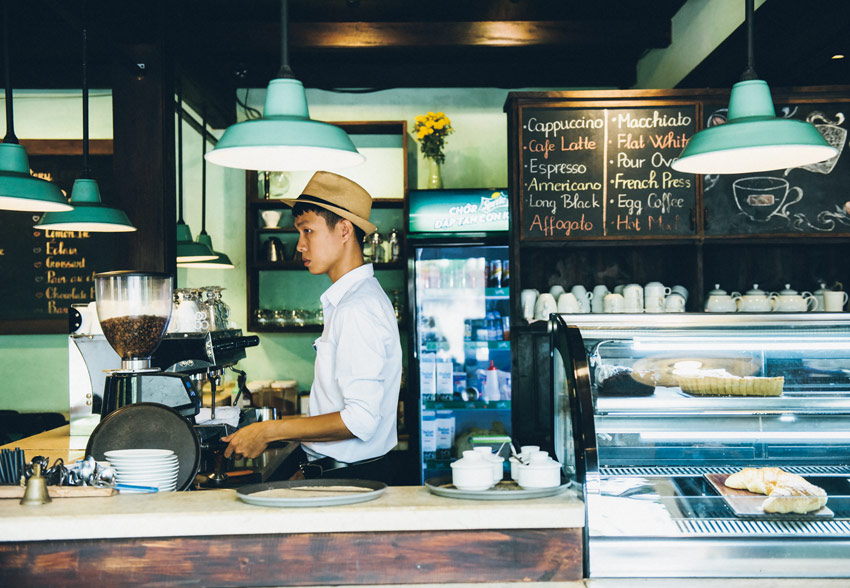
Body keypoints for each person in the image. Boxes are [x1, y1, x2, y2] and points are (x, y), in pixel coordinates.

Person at [222, 171, 403, 482]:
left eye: (308, 232)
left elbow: (360, 421)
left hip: (349, 480)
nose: (300, 246)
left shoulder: (356, 309)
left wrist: (269, 430)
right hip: (339, 474)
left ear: (345, 230)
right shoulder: (354, 300)